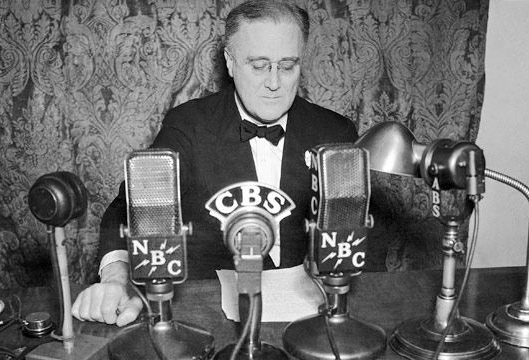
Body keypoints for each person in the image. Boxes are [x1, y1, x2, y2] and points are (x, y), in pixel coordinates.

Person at [72, 0, 358, 327]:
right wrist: (114, 279)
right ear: (230, 62)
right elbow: (128, 208)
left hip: (309, 320)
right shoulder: (188, 126)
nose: (275, 83)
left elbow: (358, 235)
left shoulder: (335, 132)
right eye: (259, 65)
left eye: (288, 65)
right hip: (207, 317)